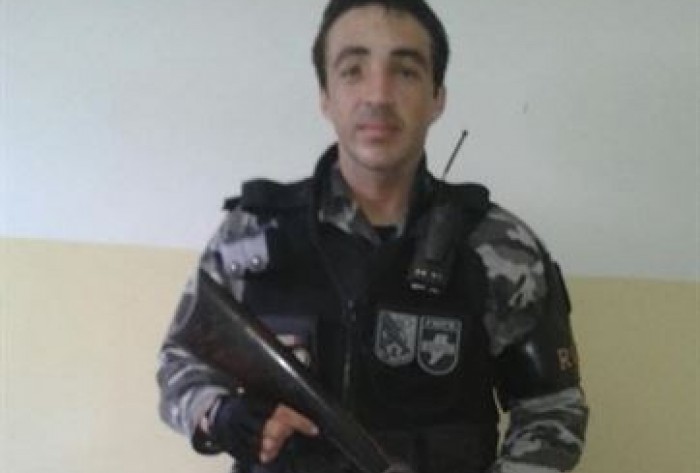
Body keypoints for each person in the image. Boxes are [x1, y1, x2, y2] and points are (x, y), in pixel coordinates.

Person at [157, 1, 589, 472]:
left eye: (405, 71)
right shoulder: (252, 234)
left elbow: (553, 410)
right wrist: (219, 415)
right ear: (325, 96)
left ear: (437, 97)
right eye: (353, 70)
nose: (378, 94)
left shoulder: (499, 248)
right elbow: (181, 360)